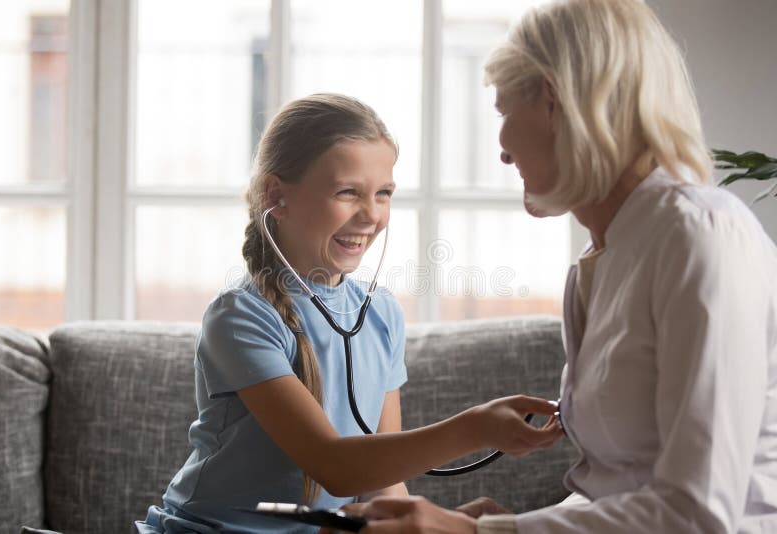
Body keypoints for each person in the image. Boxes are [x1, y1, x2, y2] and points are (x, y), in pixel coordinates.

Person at [352, 0, 777, 532]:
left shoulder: (700, 236)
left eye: (504, 111)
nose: (503, 150)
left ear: (557, 103)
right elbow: (614, 491)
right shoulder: (603, 261)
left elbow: (697, 514)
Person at [136, 93, 562, 533]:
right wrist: (477, 429)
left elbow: (382, 488)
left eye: (384, 194)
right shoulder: (242, 317)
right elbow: (335, 466)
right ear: (277, 196)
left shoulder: (381, 313)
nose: (371, 215)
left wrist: (443, 524)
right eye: (348, 192)